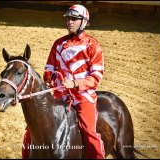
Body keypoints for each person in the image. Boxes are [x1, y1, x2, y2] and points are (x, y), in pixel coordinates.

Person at [22, 4, 105, 159]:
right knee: (30, 131)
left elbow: (96, 77)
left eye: (74, 19)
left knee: (89, 131)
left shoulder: (93, 46)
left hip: (83, 97)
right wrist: (48, 79)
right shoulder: (58, 44)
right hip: (59, 97)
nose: (69, 22)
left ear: (84, 22)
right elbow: (49, 67)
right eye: (68, 19)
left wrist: (74, 83)